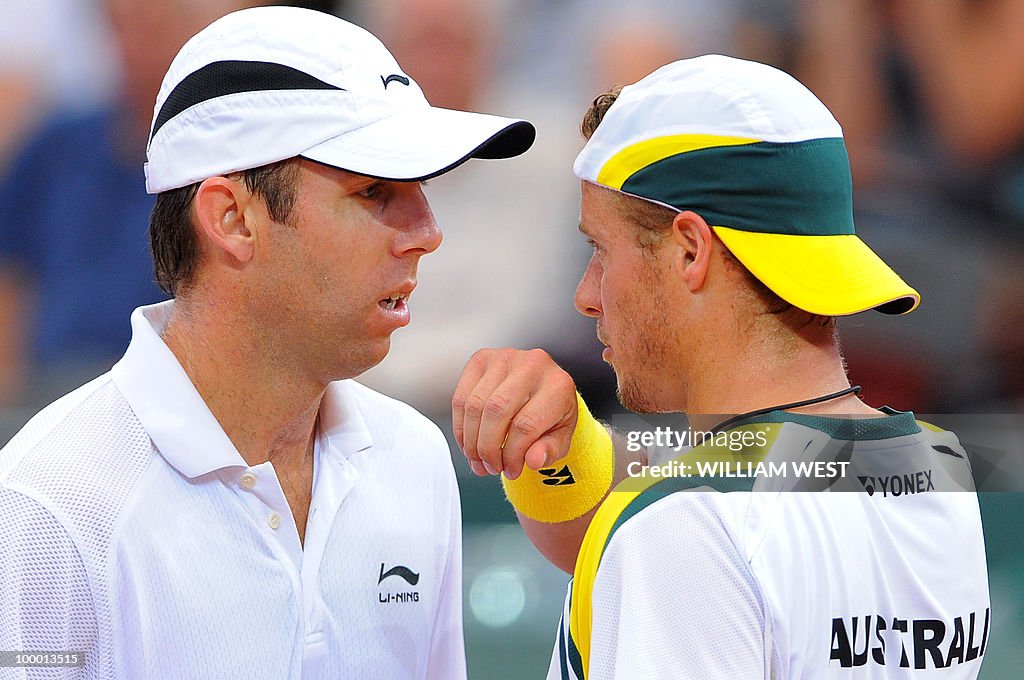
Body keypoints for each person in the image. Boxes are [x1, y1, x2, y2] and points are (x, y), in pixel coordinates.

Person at [0, 6, 534, 679]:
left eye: (420, 190)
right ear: (232, 219)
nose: (427, 231)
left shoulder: (416, 461)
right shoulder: (49, 507)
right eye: (376, 192)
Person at [452, 56, 990, 678]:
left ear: (689, 250)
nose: (586, 293)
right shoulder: (934, 468)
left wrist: (655, 518)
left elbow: (693, 521)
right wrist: (569, 452)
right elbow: (736, 494)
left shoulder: (686, 525)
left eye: (600, 248)